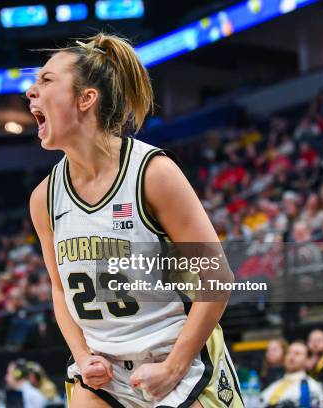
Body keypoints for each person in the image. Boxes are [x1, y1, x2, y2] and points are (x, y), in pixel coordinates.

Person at [28, 33, 243, 407]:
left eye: (46, 80)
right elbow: (61, 291)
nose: (31, 92)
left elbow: (218, 276)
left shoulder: (153, 174)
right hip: (104, 372)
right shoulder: (43, 198)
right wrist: (82, 356)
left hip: (177, 358)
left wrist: (173, 368)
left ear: (85, 98)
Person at [260, 341, 323, 407]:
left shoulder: (311, 387)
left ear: (307, 360)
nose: (291, 356)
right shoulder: (273, 386)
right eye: (289, 353)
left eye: (297, 353)